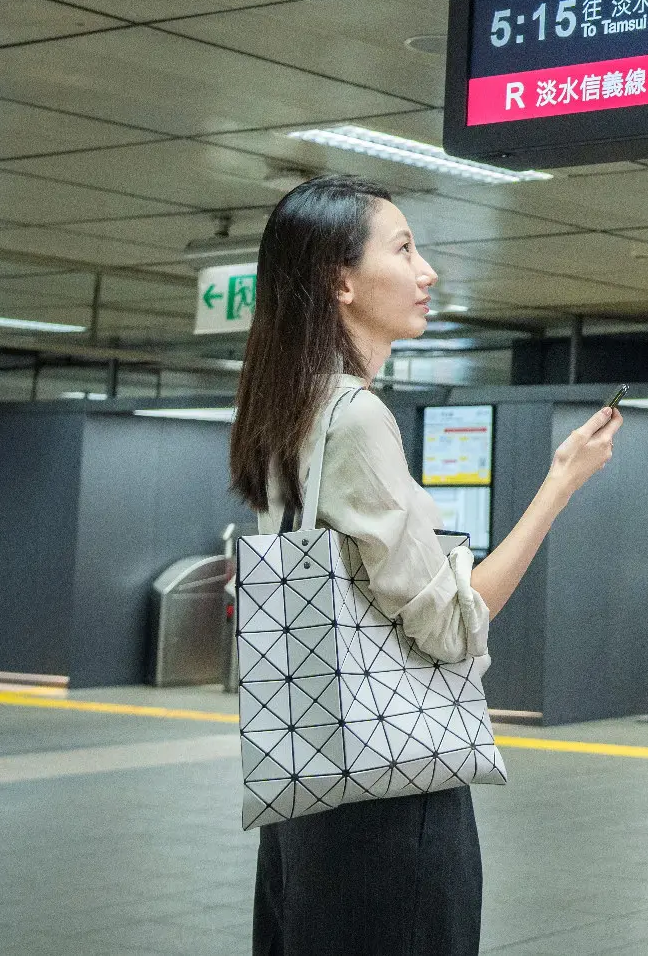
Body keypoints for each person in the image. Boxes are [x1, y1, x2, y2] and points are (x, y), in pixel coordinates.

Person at [231, 176, 622, 956]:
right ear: (340, 281)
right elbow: (452, 625)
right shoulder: (357, 417)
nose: (428, 270)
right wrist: (560, 484)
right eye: (404, 248)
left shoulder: (290, 406)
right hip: (391, 799)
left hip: (309, 783)